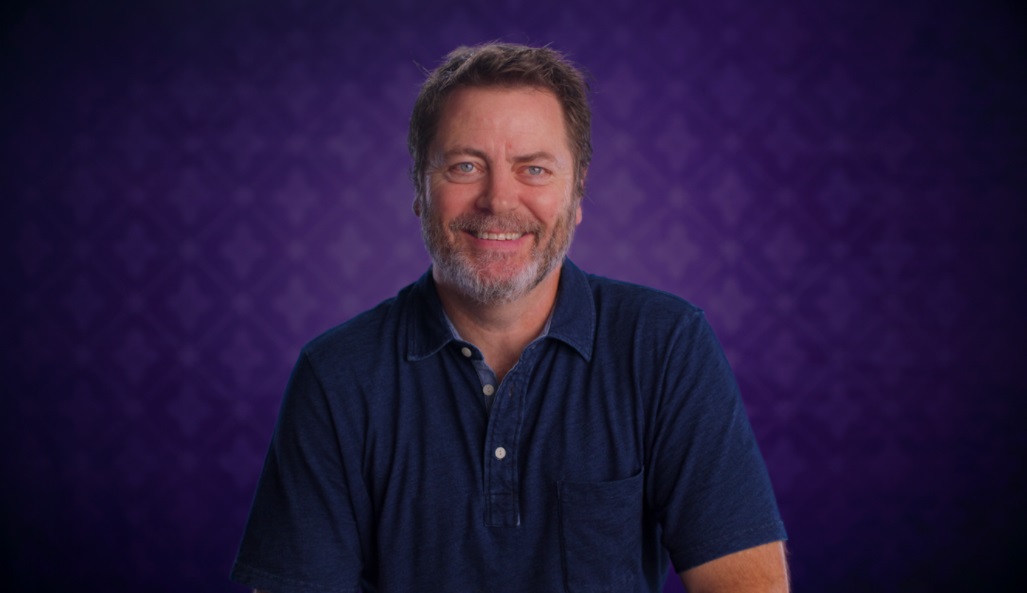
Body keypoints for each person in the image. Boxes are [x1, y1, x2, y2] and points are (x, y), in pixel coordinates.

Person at [231, 42, 788, 593]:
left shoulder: (666, 347)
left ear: (577, 192)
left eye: (534, 169)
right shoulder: (336, 376)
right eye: (465, 166)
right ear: (420, 188)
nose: (499, 200)